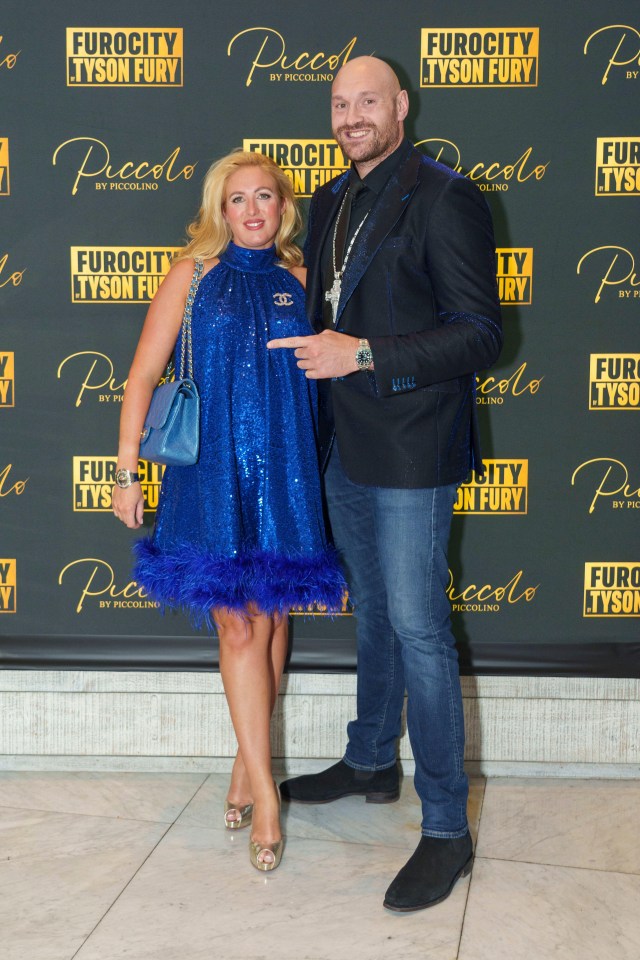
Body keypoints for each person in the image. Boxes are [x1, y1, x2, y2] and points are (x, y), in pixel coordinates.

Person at [268, 56, 502, 909]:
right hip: (344, 447)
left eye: (368, 100)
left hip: (412, 448)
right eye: (339, 103)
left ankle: (447, 828)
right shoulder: (330, 199)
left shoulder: (444, 195)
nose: (352, 115)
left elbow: (480, 335)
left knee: (419, 626)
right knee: (374, 609)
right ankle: (371, 758)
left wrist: (361, 354)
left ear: (402, 106)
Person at [112, 150, 345, 873]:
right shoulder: (191, 278)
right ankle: (267, 797)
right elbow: (143, 376)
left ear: (283, 208)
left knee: (271, 618)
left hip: (284, 474)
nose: (251, 210)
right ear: (219, 210)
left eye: (264, 197)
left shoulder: (302, 281)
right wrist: (126, 473)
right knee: (238, 622)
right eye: (237, 198)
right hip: (207, 477)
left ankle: (247, 765)